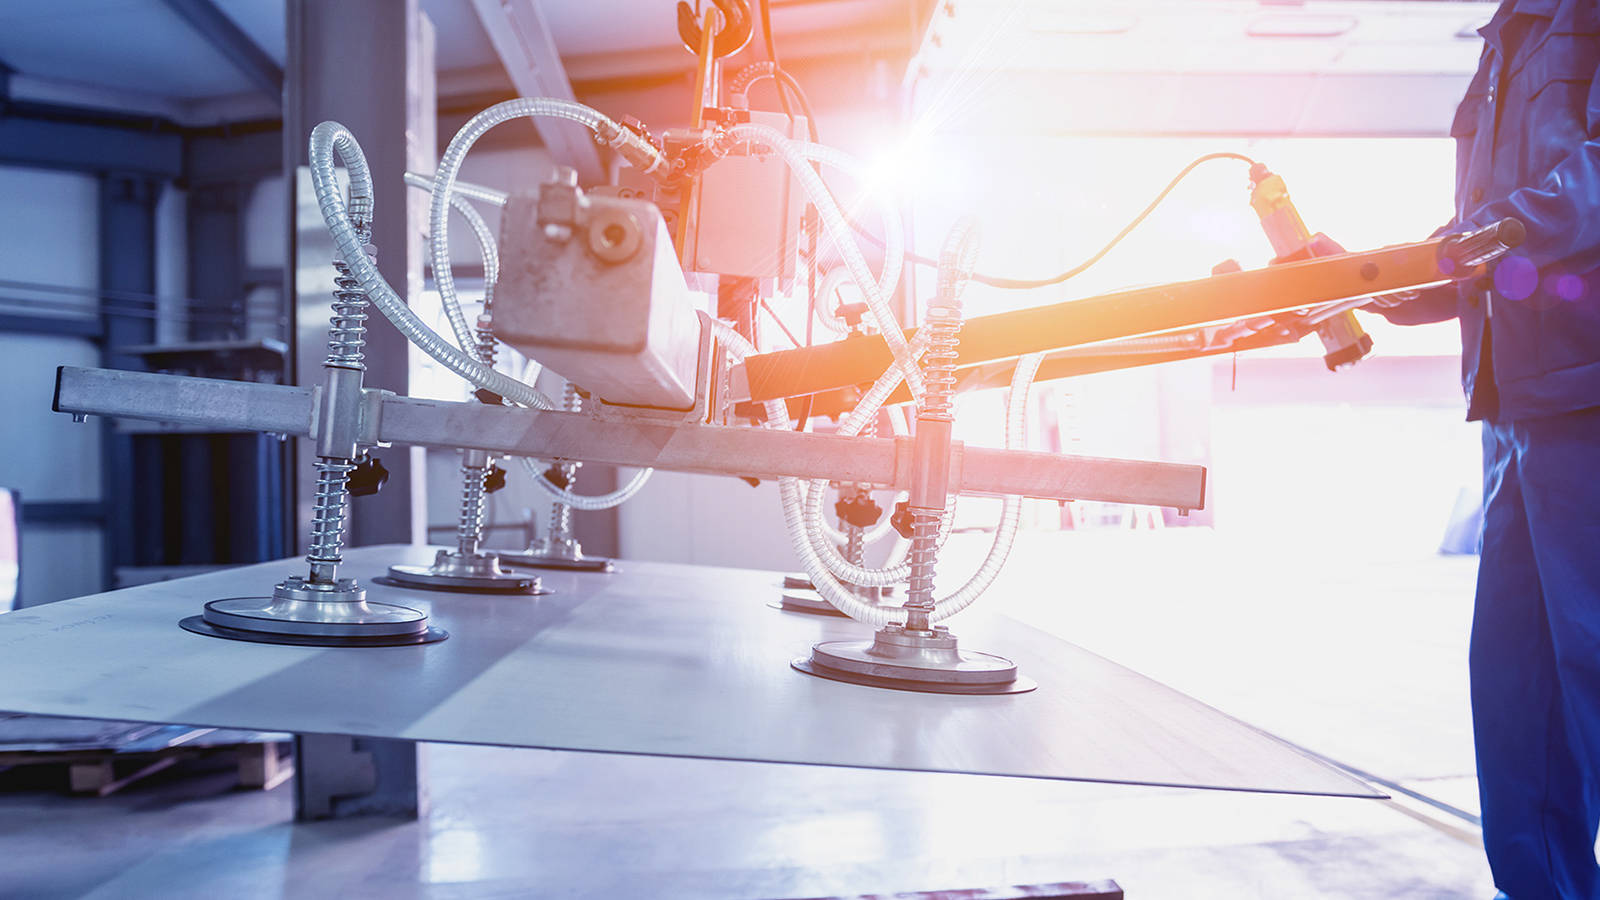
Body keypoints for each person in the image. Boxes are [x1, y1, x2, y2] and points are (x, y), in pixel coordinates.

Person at [1371, 1, 1600, 896]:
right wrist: (1387, 276)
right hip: (1514, 405)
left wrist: (1493, 234)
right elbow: (1486, 236)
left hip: (1587, 393)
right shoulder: (1505, 43)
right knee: (1519, 695)